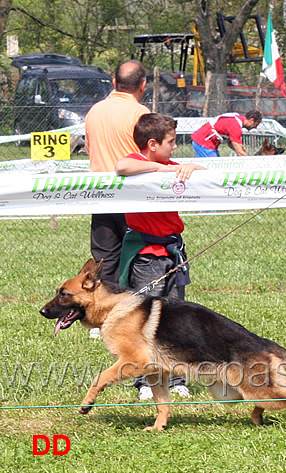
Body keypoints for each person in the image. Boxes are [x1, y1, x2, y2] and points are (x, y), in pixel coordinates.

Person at [115, 113, 206, 400]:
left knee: (175, 317)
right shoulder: (142, 164)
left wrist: (191, 167)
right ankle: (144, 380)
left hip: (173, 251)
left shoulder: (172, 165)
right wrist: (160, 170)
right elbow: (122, 165)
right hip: (146, 256)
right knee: (144, 319)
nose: (176, 147)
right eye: (171, 142)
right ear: (152, 144)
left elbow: (204, 173)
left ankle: (177, 378)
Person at [85, 60, 150, 339]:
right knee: (138, 257)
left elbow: (89, 149)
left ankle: (97, 317)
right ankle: (133, 314)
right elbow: (149, 152)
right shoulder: (140, 112)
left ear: (113, 83)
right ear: (143, 85)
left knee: (103, 259)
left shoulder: (94, 111)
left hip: (100, 194)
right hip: (133, 196)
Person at [191, 110, 263, 157]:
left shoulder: (235, 119)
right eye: (256, 124)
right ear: (252, 120)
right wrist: (251, 161)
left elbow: (231, 143)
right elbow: (240, 153)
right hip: (203, 142)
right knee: (213, 168)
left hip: (205, 140)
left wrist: (239, 148)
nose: (255, 128)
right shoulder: (236, 126)